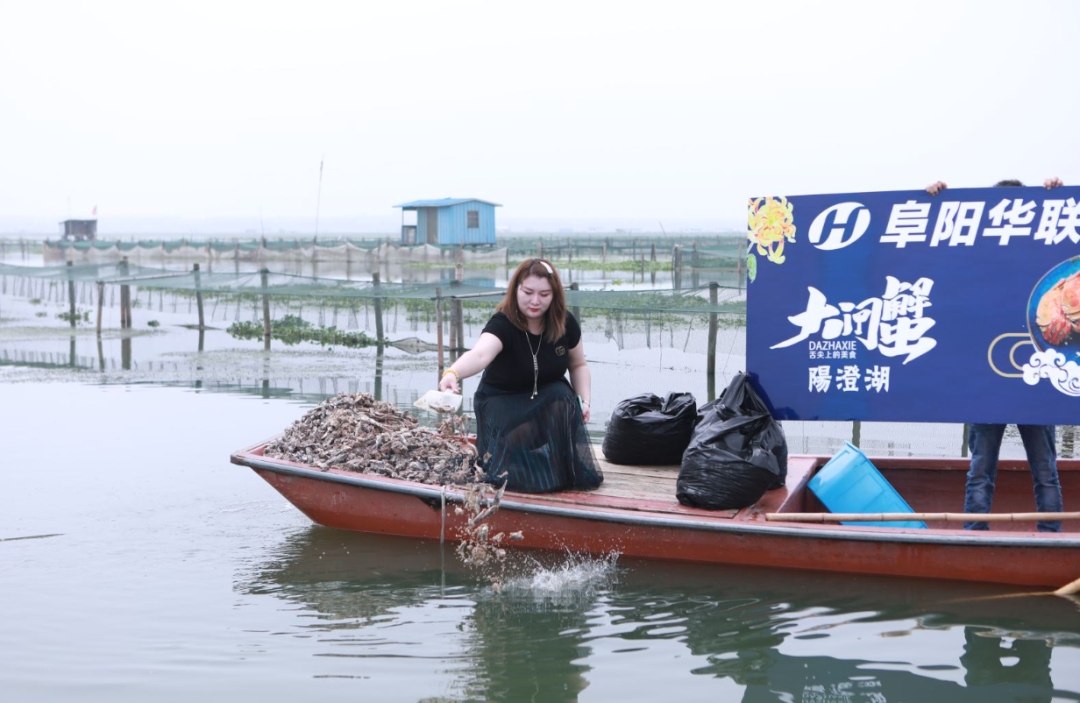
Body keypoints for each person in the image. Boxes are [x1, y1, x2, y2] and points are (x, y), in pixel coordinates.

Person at [927, 177, 1065, 532]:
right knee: (982, 471)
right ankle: (975, 537)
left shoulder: (1043, 250)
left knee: (1043, 472)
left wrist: (1060, 196)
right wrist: (938, 203)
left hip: (1035, 379)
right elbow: (940, 262)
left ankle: (1050, 539)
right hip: (989, 381)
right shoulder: (978, 254)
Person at [438, 258, 603, 493]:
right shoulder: (503, 323)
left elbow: (578, 365)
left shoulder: (564, 323)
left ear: (555, 295)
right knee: (509, 463)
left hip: (542, 403)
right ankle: (502, 457)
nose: (535, 301)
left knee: (562, 396)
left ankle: (559, 471)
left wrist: (584, 401)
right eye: (528, 292)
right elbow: (480, 355)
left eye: (544, 294)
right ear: (516, 289)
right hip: (501, 405)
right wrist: (453, 373)